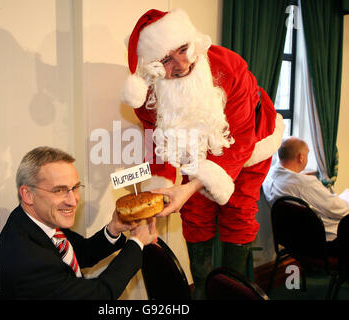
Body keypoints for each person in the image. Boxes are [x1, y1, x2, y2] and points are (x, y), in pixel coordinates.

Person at [121, 8, 285, 299]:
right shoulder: (147, 98)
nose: (182, 64)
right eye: (166, 60)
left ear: (192, 40)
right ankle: (202, 291)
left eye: (183, 49)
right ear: (152, 67)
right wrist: (158, 195)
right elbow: (157, 144)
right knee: (195, 213)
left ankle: (237, 291)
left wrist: (193, 184)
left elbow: (241, 141)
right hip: (194, 150)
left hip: (249, 143)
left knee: (238, 212)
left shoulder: (230, 67)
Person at [0, 146, 157, 300]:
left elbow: (79, 253)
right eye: (59, 190)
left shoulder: (31, 219)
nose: (73, 200)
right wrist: (137, 241)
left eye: (75, 187)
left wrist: (113, 229)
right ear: (27, 194)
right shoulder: (29, 262)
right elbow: (99, 295)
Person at [263, 137, 349, 243]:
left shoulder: (268, 176)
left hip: (291, 238)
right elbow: (339, 210)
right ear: (301, 158)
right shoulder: (305, 184)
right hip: (322, 241)